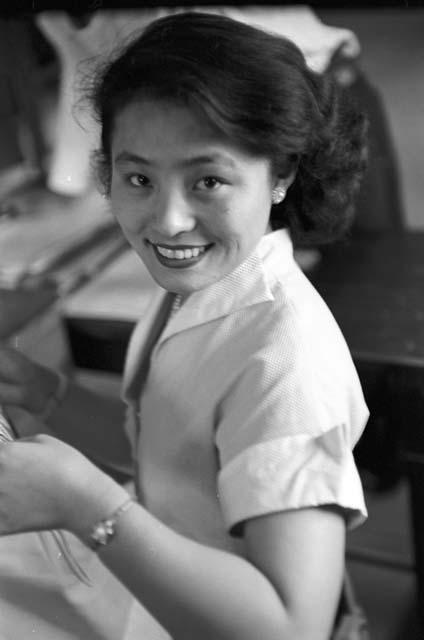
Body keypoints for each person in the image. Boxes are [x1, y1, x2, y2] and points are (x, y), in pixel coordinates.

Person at [0, 12, 369, 640]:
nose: (168, 221)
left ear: (280, 175)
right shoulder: (202, 288)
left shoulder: (286, 364)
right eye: (139, 177)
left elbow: (292, 627)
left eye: (209, 181)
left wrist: (86, 503)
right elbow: (172, 464)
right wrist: (44, 394)